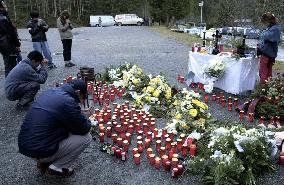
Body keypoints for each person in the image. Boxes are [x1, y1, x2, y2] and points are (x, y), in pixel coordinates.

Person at [18, 79, 92, 177]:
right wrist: (87, 118)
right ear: (78, 92)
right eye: (81, 98)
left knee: (65, 128)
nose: (80, 102)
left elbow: (57, 114)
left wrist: (79, 113)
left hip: (26, 146)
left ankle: (43, 161)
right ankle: (58, 167)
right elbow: (83, 129)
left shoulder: (51, 92)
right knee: (86, 138)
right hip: (41, 149)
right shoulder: (68, 102)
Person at [257, 12, 281, 83]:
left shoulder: (274, 29)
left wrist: (261, 33)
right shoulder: (271, 28)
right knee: (267, 73)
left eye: (264, 22)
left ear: (268, 21)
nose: (264, 24)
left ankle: (263, 89)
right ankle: (267, 89)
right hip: (268, 54)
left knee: (263, 73)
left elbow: (267, 37)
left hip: (267, 54)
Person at [0, 0, 21, 77]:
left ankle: (9, 85)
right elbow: (11, 33)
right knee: (11, 67)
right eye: (4, 5)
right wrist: (17, 44)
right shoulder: (3, 18)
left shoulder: (4, 16)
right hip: (8, 45)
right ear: (1, 7)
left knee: (8, 66)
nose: (6, 6)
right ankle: (11, 86)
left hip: (3, 45)